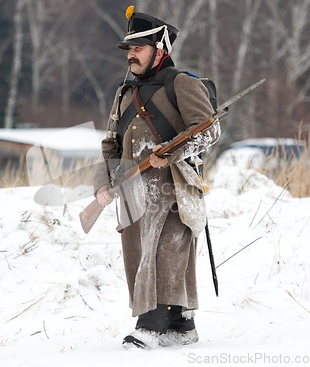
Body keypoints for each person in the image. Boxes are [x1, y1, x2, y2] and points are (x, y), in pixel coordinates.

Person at [93, 6, 221, 350]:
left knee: (165, 252)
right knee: (140, 253)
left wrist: (172, 151)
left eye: (138, 48)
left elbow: (209, 131)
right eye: (129, 49)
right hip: (133, 190)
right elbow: (111, 142)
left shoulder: (182, 83)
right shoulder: (124, 92)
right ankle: (181, 323)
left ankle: (152, 323)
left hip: (173, 187)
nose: (131, 55)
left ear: (160, 49)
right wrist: (103, 182)